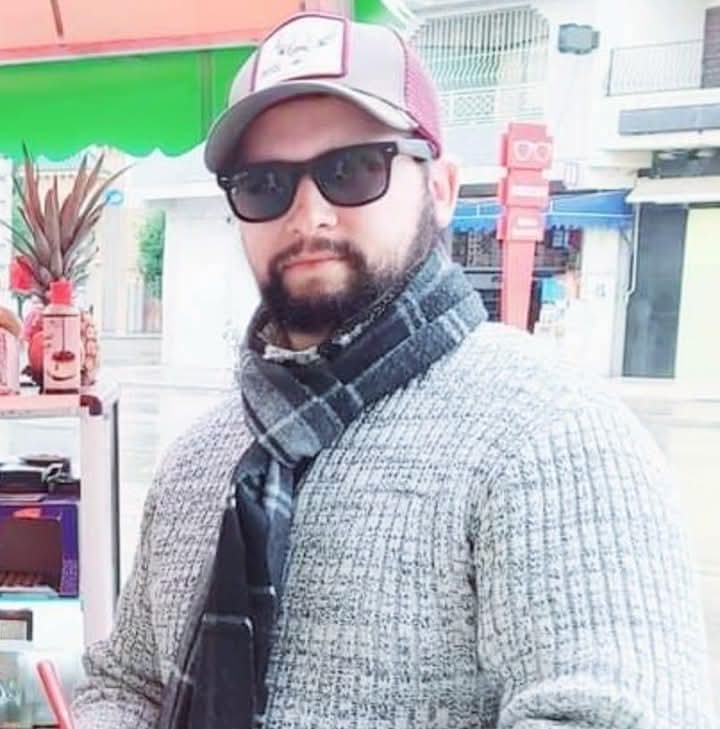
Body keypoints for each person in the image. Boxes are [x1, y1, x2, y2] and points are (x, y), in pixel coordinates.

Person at [73, 11, 717, 729]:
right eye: (263, 184)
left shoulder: (553, 435)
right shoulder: (199, 460)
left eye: (353, 169)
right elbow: (127, 682)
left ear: (441, 186)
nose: (309, 215)